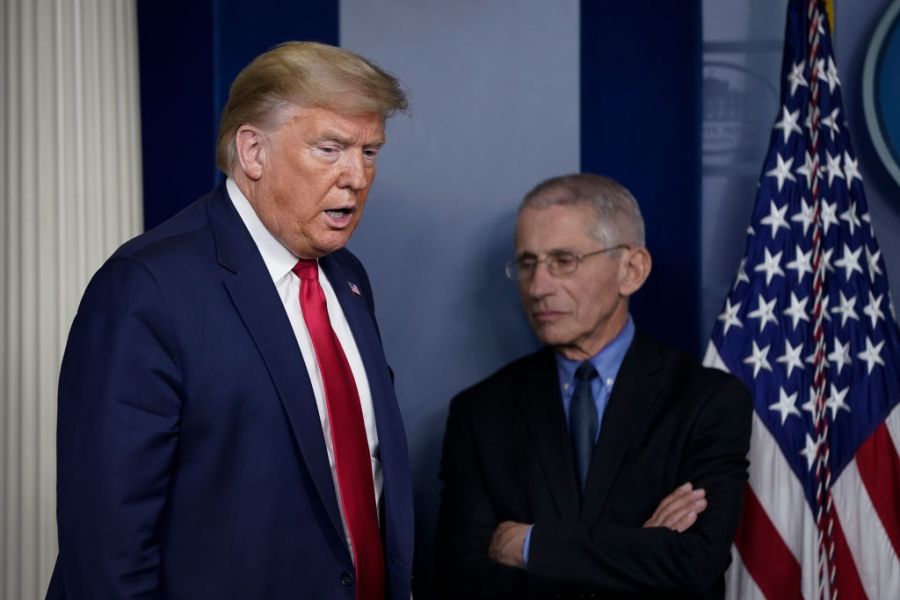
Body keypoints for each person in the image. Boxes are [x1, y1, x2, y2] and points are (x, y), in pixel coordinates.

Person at [47, 41, 413, 600]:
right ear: (253, 151)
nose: (356, 176)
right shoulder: (146, 287)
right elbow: (107, 539)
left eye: (369, 152)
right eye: (331, 147)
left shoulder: (349, 277)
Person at [434, 173, 752, 599]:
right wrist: (638, 552)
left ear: (631, 270)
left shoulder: (707, 400)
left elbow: (693, 562)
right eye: (528, 263)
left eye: (564, 260)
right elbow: (464, 580)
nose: (539, 287)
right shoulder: (480, 412)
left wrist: (529, 545)